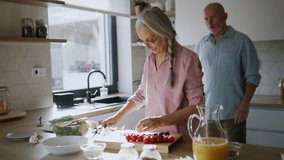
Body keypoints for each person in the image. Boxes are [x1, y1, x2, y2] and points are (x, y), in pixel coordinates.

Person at [102, 6, 204, 142]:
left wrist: (161, 121)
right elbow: (141, 94)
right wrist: (117, 116)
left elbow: (196, 107)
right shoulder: (150, 61)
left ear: (164, 31)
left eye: (151, 40)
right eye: (144, 42)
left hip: (180, 140)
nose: (148, 47)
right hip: (153, 138)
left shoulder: (188, 59)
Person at [195, 3, 261, 143]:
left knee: (234, 154)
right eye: (206, 19)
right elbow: (196, 78)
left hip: (234, 113)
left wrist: (245, 104)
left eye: (214, 18)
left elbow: (253, 77)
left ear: (225, 17)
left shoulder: (242, 41)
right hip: (209, 114)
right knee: (212, 154)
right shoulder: (201, 44)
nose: (210, 23)